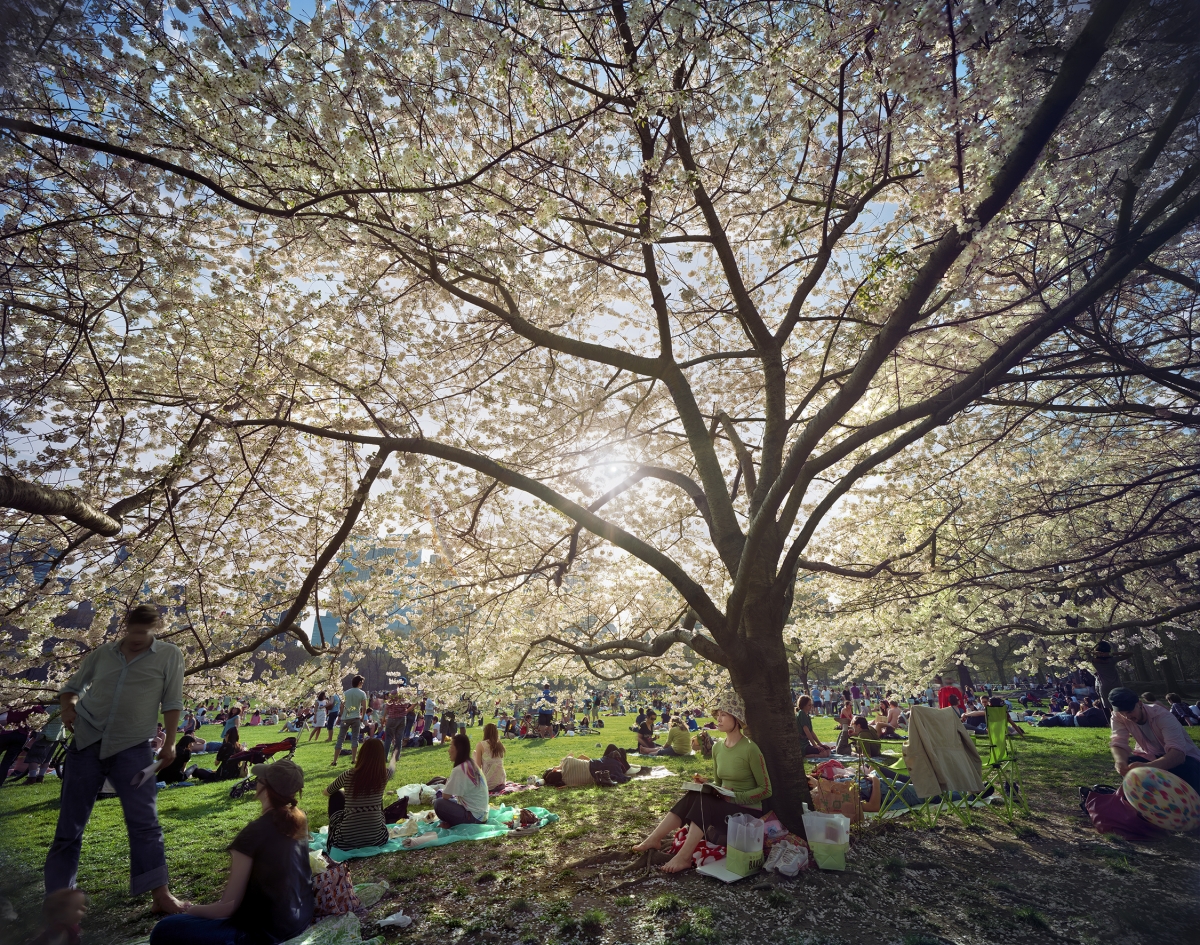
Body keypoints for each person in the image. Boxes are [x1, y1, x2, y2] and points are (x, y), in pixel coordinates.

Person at [46, 604, 186, 914]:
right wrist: (69, 708)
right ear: (125, 626)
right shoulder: (102, 654)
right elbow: (71, 689)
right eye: (133, 631)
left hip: (133, 749)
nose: (137, 638)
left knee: (145, 824)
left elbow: (173, 700)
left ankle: (161, 896)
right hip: (86, 743)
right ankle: (58, 901)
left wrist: (170, 744)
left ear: (155, 629)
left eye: (144, 632)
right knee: (69, 826)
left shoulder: (170, 655)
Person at [149, 759, 314, 945]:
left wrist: (190, 908)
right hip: (301, 917)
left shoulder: (253, 833)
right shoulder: (300, 818)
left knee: (165, 929)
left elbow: (227, 908)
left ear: (264, 787)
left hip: (264, 932)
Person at [631, 693, 771, 873]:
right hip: (724, 805)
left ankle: (684, 857)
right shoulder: (718, 748)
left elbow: (766, 790)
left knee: (705, 801)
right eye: (717, 715)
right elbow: (719, 783)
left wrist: (735, 796)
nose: (718, 719)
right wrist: (707, 784)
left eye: (724, 715)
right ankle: (655, 838)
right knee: (695, 794)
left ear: (736, 718)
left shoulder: (751, 749)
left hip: (746, 811)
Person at [1108, 687, 1200, 794]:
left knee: (1188, 768)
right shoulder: (1118, 716)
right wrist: (1120, 761)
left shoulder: (1162, 716)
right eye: (1122, 713)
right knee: (1129, 764)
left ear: (1140, 703)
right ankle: (1145, 802)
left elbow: (1178, 754)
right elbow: (1118, 742)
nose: (1127, 717)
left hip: (1185, 757)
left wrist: (1148, 767)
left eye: (1130, 711)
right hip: (1152, 755)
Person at [324, 738, 389, 851]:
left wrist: (346, 793)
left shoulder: (348, 775)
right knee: (378, 800)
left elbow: (327, 792)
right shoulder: (384, 775)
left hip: (345, 842)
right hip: (378, 838)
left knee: (336, 795)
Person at [433, 733, 489, 827]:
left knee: (439, 804)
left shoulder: (460, 769)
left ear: (458, 749)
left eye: (451, 747)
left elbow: (445, 795)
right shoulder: (471, 764)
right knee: (451, 801)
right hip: (482, 815)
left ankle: (454, 822)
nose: (448, 750)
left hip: (474, 818)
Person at [331, 675, 368, 766]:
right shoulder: (362, 693)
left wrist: (341, 715)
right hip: (356, 718)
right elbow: (364, 707)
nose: (362, 684)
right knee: (355, 738)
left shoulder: (346, 693)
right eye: (362, 683)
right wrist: (362, 717)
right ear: (359, 683)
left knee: (340, 738)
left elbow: (341, 706)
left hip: (345, 718)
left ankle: (335, 760)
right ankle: (353, 759)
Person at [474, 722, 507, 791]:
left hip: (488, 784)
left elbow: (478, 767)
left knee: (474, 753)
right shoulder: (499, 744)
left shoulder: (481, 745)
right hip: (501, 782)